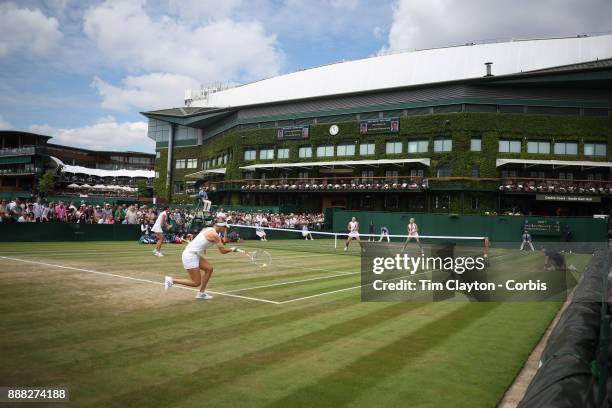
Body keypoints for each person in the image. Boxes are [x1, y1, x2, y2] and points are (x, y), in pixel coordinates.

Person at [164, 217, 245, 300]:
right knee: (196, 282)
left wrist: (223, 231)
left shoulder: (207, 229)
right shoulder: (214, 235)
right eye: (224, 227)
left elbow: (222, 242)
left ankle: (201, 293)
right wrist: (232, 249)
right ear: (220, 226)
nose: (225, 229)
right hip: (190, 256)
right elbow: (223, 251)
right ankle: (172, 281)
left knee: (209, 269)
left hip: (194, 254)